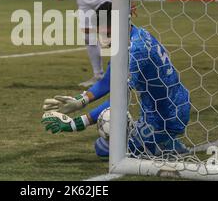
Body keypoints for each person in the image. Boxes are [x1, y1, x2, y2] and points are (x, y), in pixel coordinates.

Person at [42, 24, 191, 158]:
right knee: (104, 143)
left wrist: (77, 123)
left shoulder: (136, 50)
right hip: (156, 109)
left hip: (169, 114)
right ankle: (160, 141)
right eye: (100, 33)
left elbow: (119, 99)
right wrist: (81, 100)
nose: (104, 39)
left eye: (107, 33)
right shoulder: (130, 36)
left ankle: (165, 143)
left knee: (103, 148)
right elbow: (108, 81)